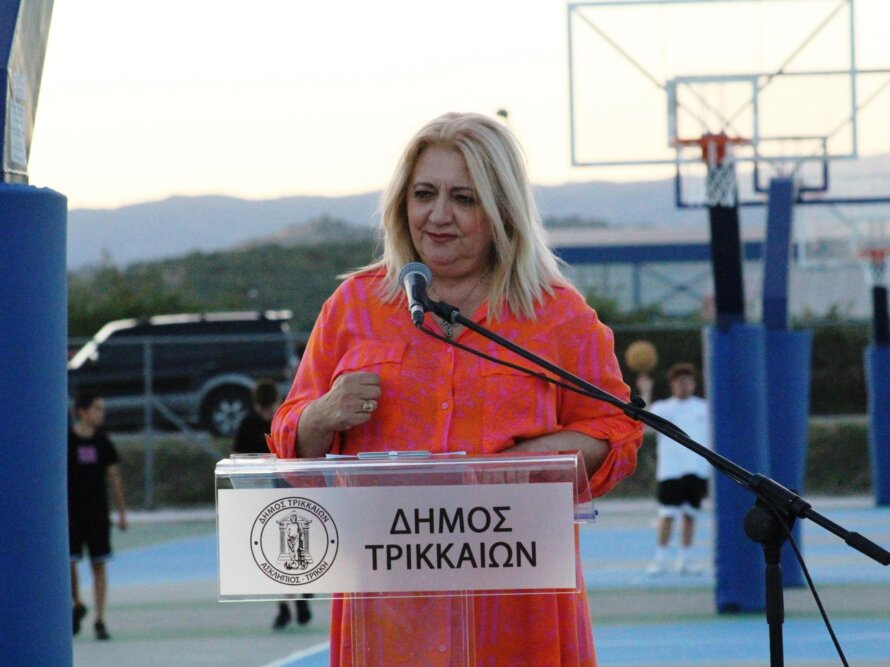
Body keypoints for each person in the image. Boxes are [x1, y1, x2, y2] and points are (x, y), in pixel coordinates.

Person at [268, 111, 643, 665]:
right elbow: (289, 438)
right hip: (392, 619)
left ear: (501, 210)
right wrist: (320, 416)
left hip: (519, 616)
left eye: (464, 199)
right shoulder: (353, 306)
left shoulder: (558, 315)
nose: (439, 215)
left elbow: (618, 432)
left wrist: (528, 463)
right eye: (424, 194)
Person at [232, 378, 312, 629]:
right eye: (262, 411)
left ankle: (296, 597)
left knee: (295, 548)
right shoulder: (247, 425)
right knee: (276, 553)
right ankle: (288, 602)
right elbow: (238, 460)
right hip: (263, 496)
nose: (267, 416)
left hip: (291, 491)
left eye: (270, 410)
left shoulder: (288, 419)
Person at [637, 362, 712, 576]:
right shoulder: (663, 408)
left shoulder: (704, 408)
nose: (683, 385)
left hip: (696, 469)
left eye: (687, 381)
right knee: (667, 514)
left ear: (694, 384)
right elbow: (643, 423)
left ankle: (685, 560)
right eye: (679, 382)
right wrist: (645, 391)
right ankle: (660, 560)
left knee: (690, 515)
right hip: (670, 470)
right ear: (672, 385)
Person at [68, 390, 128, 640]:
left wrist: (122, 512)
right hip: (72, 514)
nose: (101, 414)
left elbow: (114, 477)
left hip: (97, 515)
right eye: (96, 409)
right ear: (82, 412)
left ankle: (100, 619)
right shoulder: (67, 441)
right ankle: (76, 603)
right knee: (69, 562)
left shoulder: (103, 442)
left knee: (99, 565)